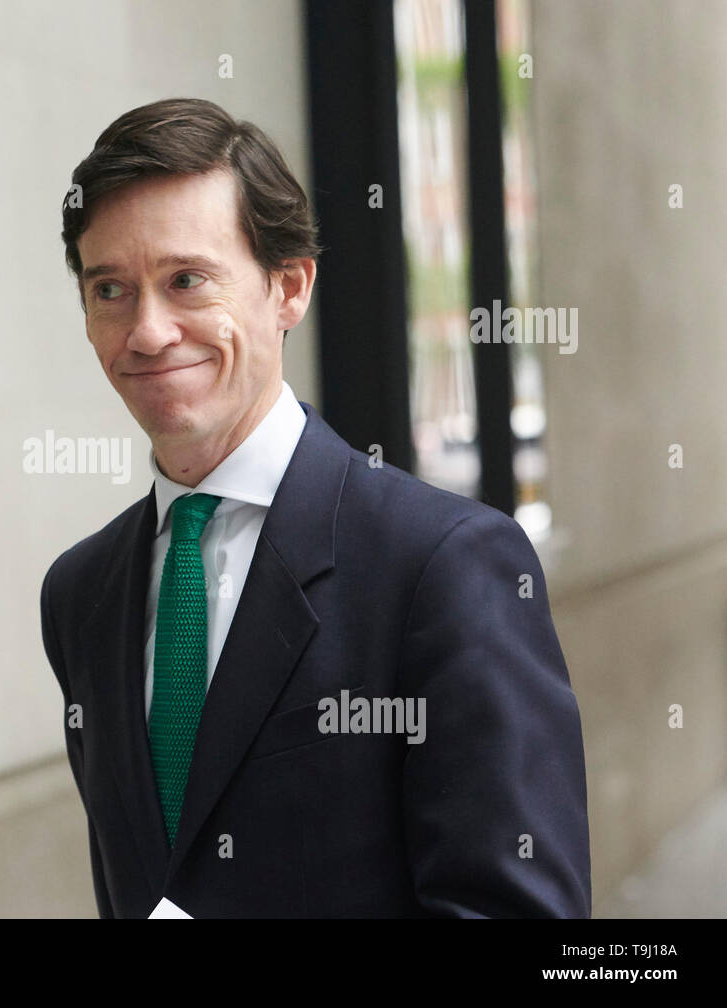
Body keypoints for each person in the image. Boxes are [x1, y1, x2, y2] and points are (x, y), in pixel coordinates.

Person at [39, 97, 590, 918]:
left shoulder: (444, 565)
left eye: (187, 280)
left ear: (288, 287)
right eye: (110, 288)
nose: (147, 331)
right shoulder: (81, 593)